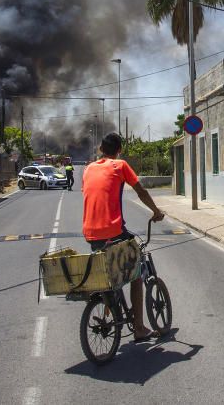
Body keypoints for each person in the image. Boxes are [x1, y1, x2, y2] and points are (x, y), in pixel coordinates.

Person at [82, 132, 165, 341]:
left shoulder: (88, 169)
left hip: (90, 233)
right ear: (119, 150)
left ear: (101, 149)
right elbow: (141, 191)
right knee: (136, 274)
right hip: (114, 231)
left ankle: (110, 304)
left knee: (110, 271)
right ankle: (139, 328)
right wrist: (156, 211)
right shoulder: (120, 165)